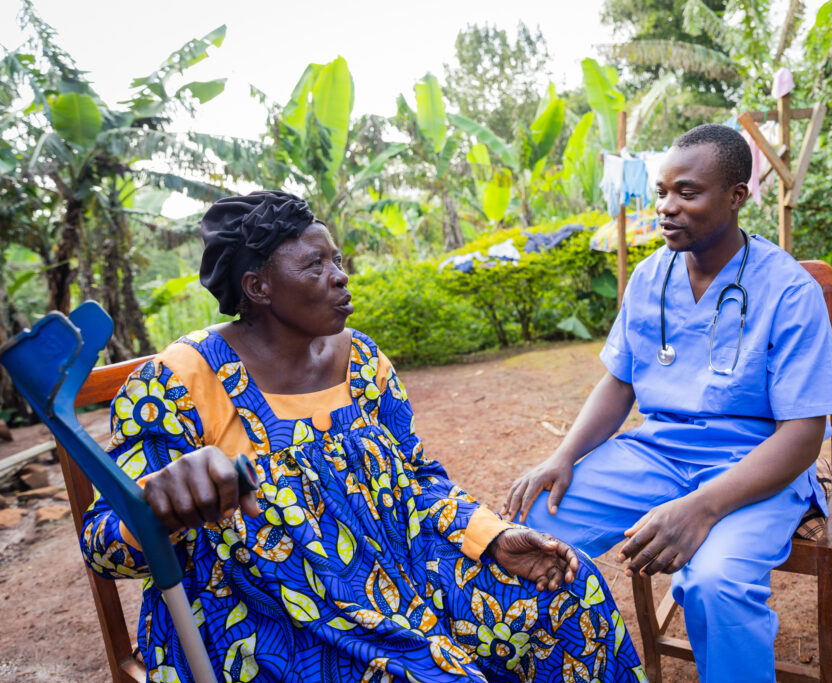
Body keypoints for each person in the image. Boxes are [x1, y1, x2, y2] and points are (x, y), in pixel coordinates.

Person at [80, 191, 646, 683]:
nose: (340, 274)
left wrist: (492, 538)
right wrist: (157, 501)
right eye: (315, 265)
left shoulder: (361, 357)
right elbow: (105, 546)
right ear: (258, 287)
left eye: (337, 258)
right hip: (268, 614)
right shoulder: (179, 379)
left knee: (573, 603)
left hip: (406, 572)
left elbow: (418, 478)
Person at [503, 124, 832, 682]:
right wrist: (562, 456)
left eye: (687, 193)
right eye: (662, 192)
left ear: (737, 196)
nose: (667, 207)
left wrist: (703, 507)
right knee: (529, 529)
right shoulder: (649, 277)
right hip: (655, 455)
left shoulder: (788, 291)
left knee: (717, 585)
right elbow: (620, 384)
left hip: (755, 467)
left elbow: (803, 435)